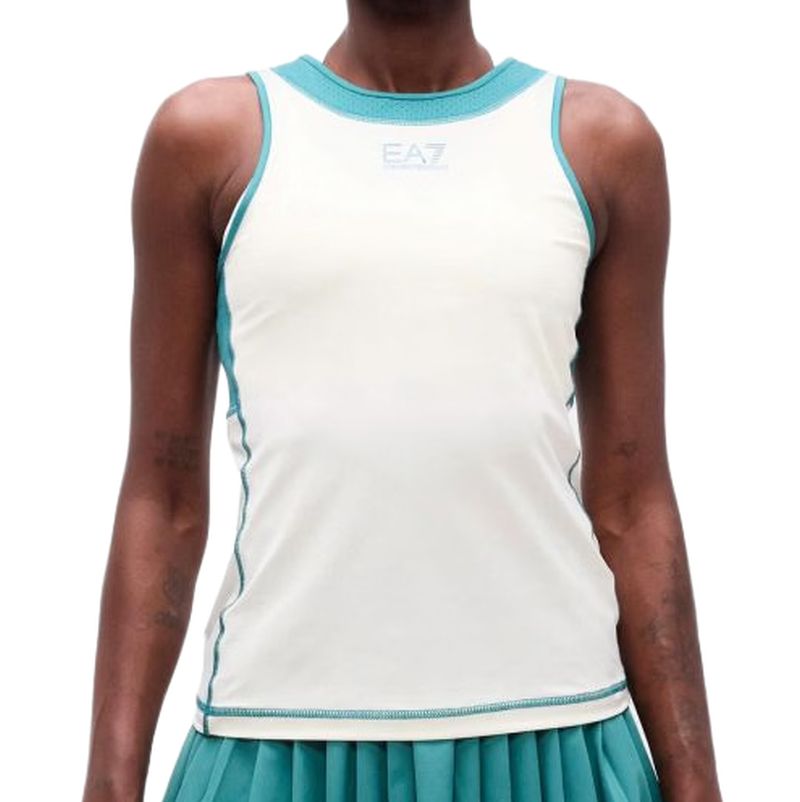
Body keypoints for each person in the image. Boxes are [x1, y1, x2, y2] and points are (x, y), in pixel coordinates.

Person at [81, 2, 724, 801]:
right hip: (276, 737)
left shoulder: (598, 144)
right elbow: (164, 493)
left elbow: (633, 498)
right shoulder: (211, 140)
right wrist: (108, 783)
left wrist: (696, 782)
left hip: (557, 732)